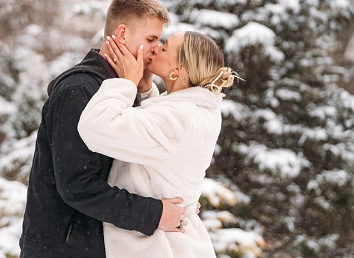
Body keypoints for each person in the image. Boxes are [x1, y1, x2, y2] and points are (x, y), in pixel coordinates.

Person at [19, 0, 188, 258]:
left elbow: (137, 163)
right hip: (62, 249)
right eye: (151, 38)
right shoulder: (79, 91)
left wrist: (142, 91)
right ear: (121, 34)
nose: (156, 48)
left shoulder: (123, 87)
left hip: (97, 245)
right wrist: (154, 215)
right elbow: (78, 186)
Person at [78, 30, 237, 258]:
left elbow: (95, 127)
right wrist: (145, 90)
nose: (156, 48)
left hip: (159, 247)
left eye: (164, 48)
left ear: (178, 71)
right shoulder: (201, 109)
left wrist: (125, 83)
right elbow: (159, 146)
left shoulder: (179, 119)